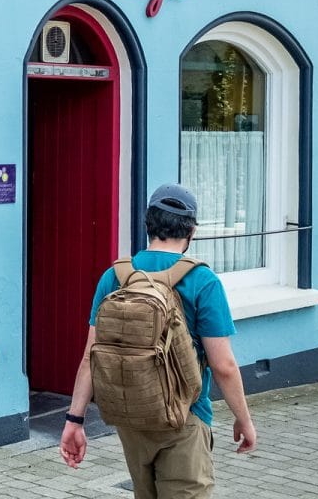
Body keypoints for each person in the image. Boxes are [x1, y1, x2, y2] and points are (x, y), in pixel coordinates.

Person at [59, 183, 256, 498]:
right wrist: (244, 420)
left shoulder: (116, 276)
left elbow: (90, 357)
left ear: (148, 224)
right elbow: (224, 366)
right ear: (191, 231)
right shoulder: (203, 281)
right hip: (185, 419)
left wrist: (74, 419)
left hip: (131, 417)